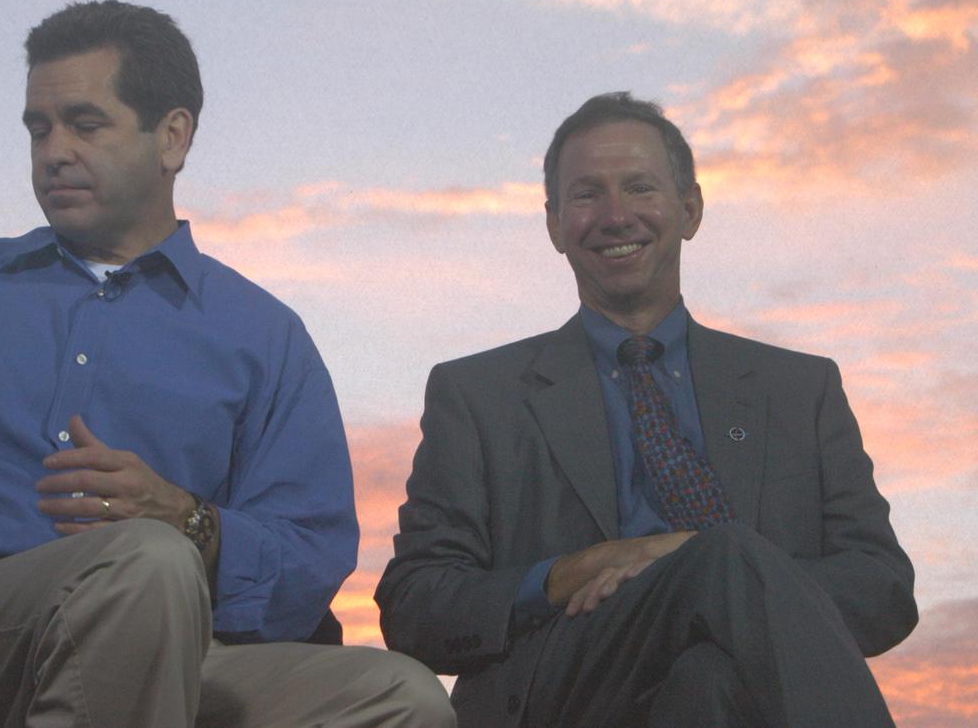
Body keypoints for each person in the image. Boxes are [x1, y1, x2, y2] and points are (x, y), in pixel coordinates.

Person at [0, 0, 454, 728]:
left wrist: (190, 519)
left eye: (85, 124)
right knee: (145, 567)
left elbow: (308, 560)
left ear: (173, 138)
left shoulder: (264, 337)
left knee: (402, 698)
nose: (54, 151)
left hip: (169, 646)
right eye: (39, 129)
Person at [375, 92, 916, 727]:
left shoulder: (800, 389)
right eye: (587, 195)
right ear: (553, 225)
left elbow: (882, 590)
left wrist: (704, 574)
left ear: (690, 210)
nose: (615, 215)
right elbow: (415, 606)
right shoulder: (477, 395)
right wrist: (572, 571)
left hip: (733, 693)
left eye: (639, 188)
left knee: (709, 672)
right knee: (721, 557)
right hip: (563, 688)